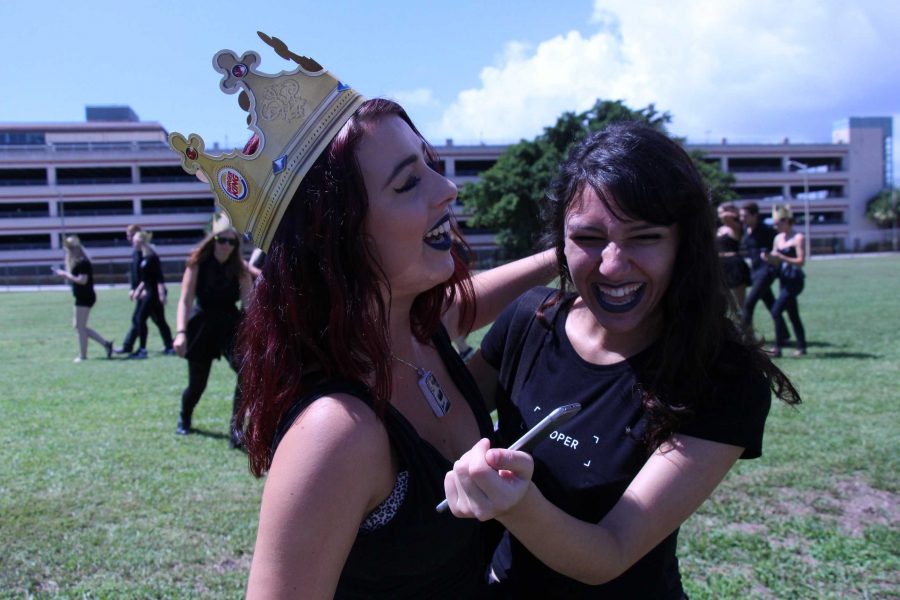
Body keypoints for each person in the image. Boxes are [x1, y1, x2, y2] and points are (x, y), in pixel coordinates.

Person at [168, 35, 555, 599]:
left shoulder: (416, 330)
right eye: (409, 181)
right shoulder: (336, 435)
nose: (448, 189)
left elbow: (474, 298)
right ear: (338, 239)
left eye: (431, 165)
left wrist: (564, 256)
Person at [442, 122, 801, 598]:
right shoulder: (531, 318)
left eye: (644, 237)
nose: (612, 264)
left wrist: (516, 503)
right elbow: (440, 416)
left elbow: (608, 553)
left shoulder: (723, 377)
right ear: (559, 243)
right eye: (589, 237)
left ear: (683, 245)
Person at [173, 219, 253, 442]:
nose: (226, 245)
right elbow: (185, 300)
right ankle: (184, 417)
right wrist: (180, 333)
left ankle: (236, 430)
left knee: (246, 372)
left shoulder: (240, 268)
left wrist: (252, 333)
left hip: (230, 325)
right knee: (197, 385)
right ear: (213, 239)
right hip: (201, 324)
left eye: (232, 242)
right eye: (222, 240)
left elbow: (248, 304)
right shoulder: (197, 262)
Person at [54, 235, 113, 362]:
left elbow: (82, 280)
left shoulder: (82, 262)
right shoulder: (78, 261)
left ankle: (83, 355)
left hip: (85, 296)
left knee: (80, 327)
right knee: (79, 326)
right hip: (82, 296)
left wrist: (65, 275)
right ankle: (106, 344)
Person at [763, 206, 807, 357]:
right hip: (784, 278)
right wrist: (769, 258)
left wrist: (783, 258)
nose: (775, 226)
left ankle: (777, 347)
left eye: (777, 223)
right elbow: (776, 262)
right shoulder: (777, 238)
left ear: (787, 221)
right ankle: (802, 346)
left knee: (776, 310)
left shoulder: (798, 237)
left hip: (795, 279)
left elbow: (801, 261)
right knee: (793, 314)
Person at [125, 231, 174, 358]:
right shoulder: (144, 257)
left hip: (153, 294)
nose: (133, 243)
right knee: (160, 321)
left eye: (136, 241)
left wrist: (162, 294)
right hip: (147, 292)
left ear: (142, 242)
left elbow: (159, 278)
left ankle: (142, 350)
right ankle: (169, 346)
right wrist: (137, 291)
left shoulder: (152, 257)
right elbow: (144, 279)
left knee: (140, 319)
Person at [739, 202, 777, 335]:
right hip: (754, 271)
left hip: (766, 271)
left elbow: (780, 244)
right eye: (741, 216)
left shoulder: (766, 230)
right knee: (771, 304)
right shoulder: (745, 230)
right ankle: (783, 334)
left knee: (749, 303)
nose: (742, 219)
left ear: (755, 216)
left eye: (745, 216)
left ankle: (744, 336)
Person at [716, 202, 750, 308]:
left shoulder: (736, 227)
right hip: (721, 264)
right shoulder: (720, 229)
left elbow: (726, 217)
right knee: (722, 301)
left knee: (741, 303)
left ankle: (746, 324)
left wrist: (730, 212)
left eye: (721, 212)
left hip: (735, 265)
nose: (720, 215)